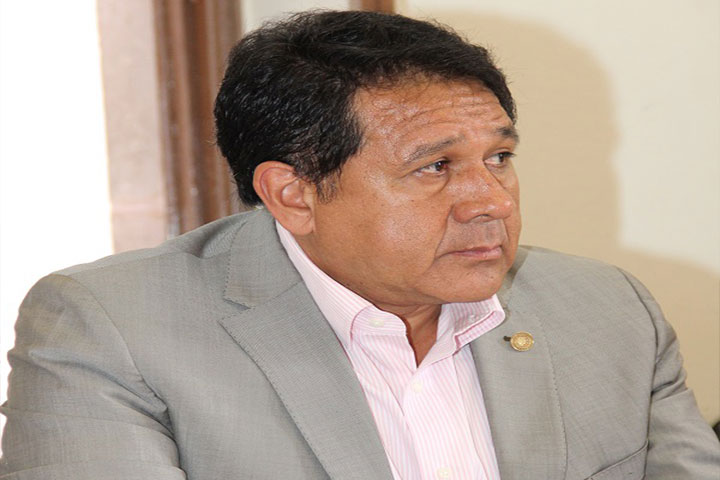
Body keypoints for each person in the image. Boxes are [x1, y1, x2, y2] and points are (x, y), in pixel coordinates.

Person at [1, 10, 718, 480]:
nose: (493, 202)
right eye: (435, 167)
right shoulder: (112, 328)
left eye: (499, 158)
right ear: (293, 194)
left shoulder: (607, 310)